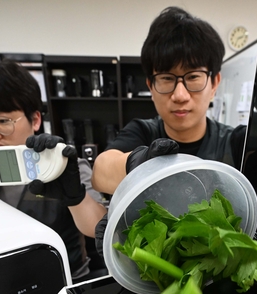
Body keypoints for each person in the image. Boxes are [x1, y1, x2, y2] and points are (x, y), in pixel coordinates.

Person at [0, 57, 107, 280]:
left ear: (35, 120)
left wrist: (76, 198)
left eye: (4, 120)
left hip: (64, 282)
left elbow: (102, 229)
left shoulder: (63, 165)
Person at [91, 6, 246, 196]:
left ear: (214, 84)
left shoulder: (236, 143)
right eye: (166, 78)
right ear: (151, 85)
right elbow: (100, 172)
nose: (180, 95)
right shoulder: (142, 131)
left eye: (193, 77)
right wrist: (141, 164)